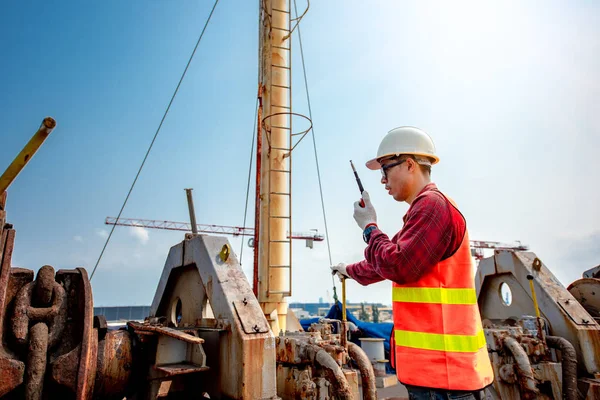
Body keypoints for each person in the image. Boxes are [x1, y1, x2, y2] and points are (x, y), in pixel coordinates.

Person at [331, 127, 494, 400]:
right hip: (440, 375)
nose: (382, 180)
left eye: (385, 169)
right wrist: (349, 270)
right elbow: (385, 261)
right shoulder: (424, 210)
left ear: (409, 164)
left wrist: (370, 227)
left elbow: (398, 265)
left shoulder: (432, 206)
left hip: (445, 378)